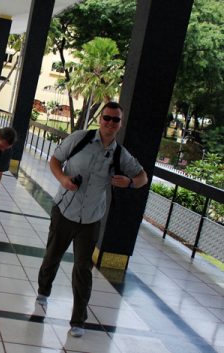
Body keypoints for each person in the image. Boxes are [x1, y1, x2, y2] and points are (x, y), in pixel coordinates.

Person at [35, 101, 148, 338]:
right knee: (52, 257)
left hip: (91, 219)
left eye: (115, 119)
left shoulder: (119, 154)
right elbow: (54, 160)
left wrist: (129, 182)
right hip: (65, 210)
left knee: (83, 268)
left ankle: (78, 320)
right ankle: (43, 292)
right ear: (100, 119)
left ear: (120, 123)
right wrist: (63, 180)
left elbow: (142, 177)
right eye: (106, 117)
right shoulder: (79, 139)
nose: (110, 123)